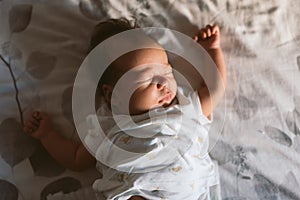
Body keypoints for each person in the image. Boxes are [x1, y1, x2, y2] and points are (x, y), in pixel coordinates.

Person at [23, 18, 226, 200]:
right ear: (114, 95)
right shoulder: (107, 127)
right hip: (133, 193)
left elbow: (214, 89)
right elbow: (77, 159)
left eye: (167, 71)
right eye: (149, 78)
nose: (164, 82)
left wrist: (212, 51)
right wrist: (47, 134)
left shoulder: (185, 108)